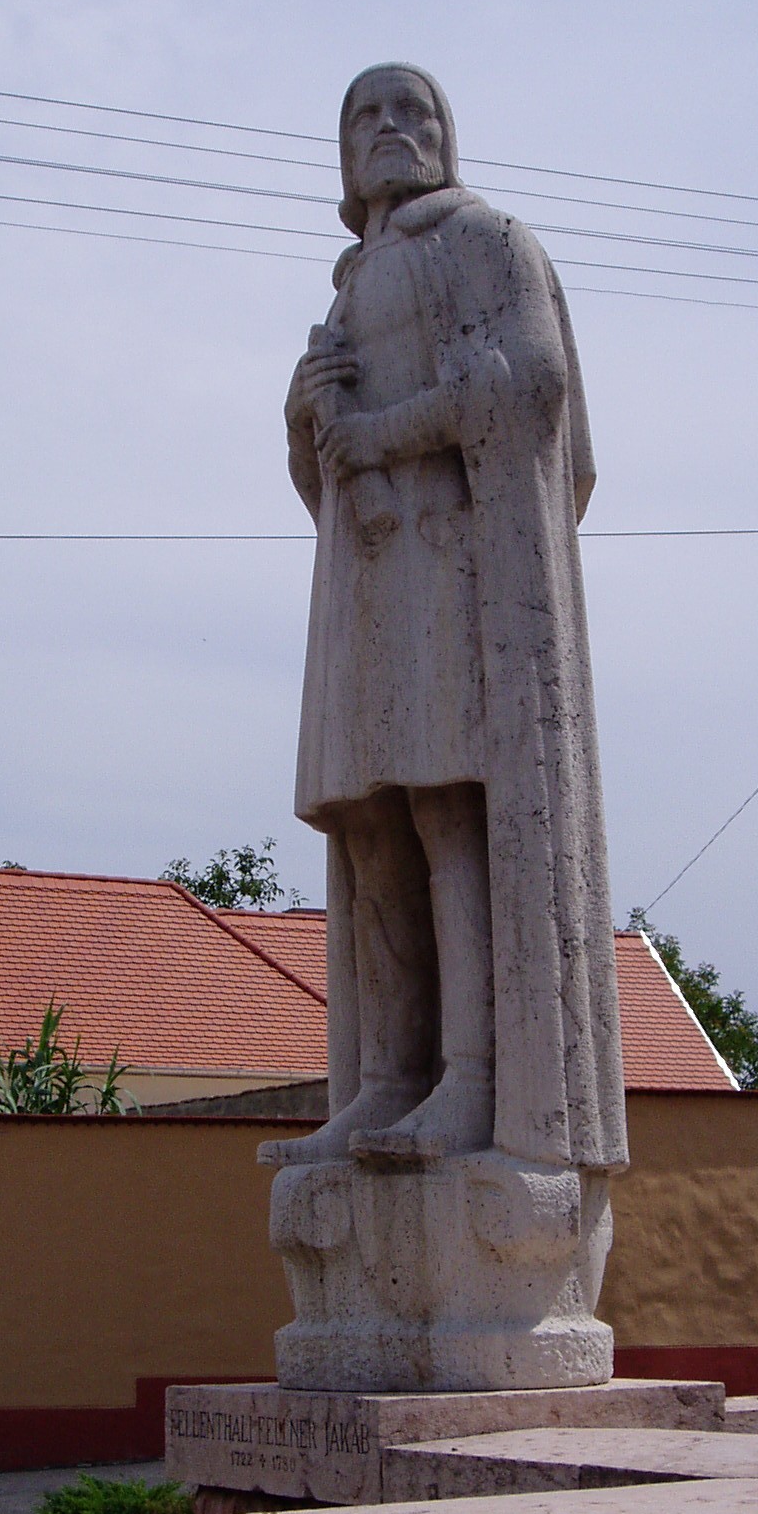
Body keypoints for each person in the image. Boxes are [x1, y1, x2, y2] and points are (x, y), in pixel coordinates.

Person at [261, 64, 626, 1178]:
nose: (389, 128)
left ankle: (474, 1074)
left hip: (454, 574)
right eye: (365, 116)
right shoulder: (347, 287)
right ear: (342, 155)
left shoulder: (487, 241)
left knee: (446, 807)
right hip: (367, 589)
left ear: (446, 137)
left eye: (410, 111)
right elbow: (321, 478)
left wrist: (387, 432)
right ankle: (386, 1078)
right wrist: (306, 412)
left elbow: (531, 389)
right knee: (369, 822)